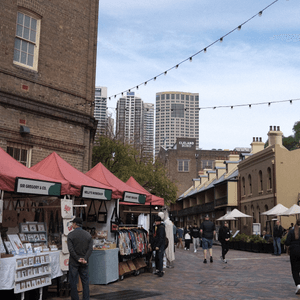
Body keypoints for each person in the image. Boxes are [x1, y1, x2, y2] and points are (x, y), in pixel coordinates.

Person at [67, 217, 93, 300]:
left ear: (75, 224)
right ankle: (86, 298)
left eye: (73, 223)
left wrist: (77, 258)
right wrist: (85, 258)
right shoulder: (88, 235)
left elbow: (71, 249)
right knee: (85, 282)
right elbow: (90, 249)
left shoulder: (70, 235)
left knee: (73, 282)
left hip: (74, 262)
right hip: (84, 262)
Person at [285, 218, 300, 294]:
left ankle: (298, 285)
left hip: (294, 251)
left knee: (295, 270)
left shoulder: (291, 232)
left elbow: (287, 242)